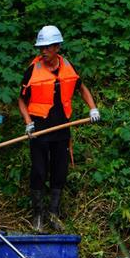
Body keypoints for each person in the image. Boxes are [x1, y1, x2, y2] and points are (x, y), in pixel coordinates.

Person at [18, 25, 100, 232]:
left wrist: (93, 108)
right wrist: (28, 122)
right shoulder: (32, 70)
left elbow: (81, 88)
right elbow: (21, 100)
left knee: (59, 170)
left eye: (47, 47)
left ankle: (53, 213)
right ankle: (37, 215)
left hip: (62, 127)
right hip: (39, 129)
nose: (43, 51)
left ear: (57, 47)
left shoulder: (67, 67)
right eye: (41, 48)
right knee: (38, 170)